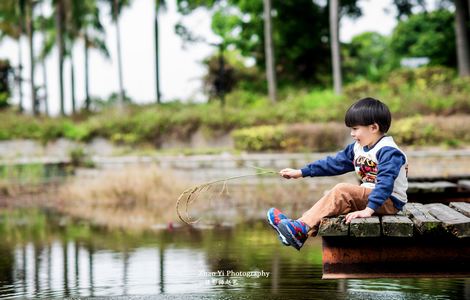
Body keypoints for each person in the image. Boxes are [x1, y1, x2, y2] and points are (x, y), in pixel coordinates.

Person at [267, 97, 408, 250]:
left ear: (373, 128)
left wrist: (368, 210)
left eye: (355, 129)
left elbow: (385, 183)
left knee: (342, 190)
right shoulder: (358, 148)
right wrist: (301, 172)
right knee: (332, 199)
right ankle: (300, 232)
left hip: (388, 201)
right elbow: (333, 163)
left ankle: (299, 227)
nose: (352, 134)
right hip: (371, 197)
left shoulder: (389, 151)